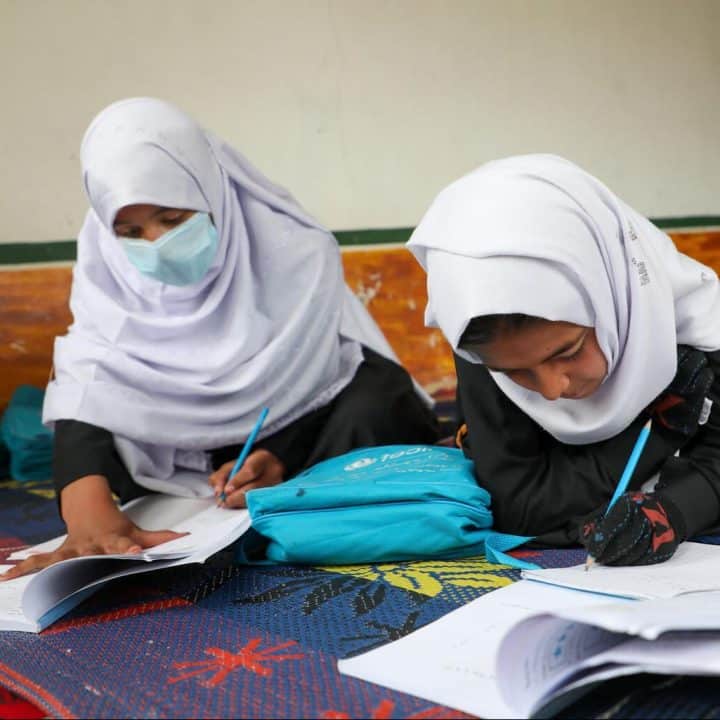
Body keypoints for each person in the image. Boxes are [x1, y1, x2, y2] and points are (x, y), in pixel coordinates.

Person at [2, 98, 438, 580]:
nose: (154, 245)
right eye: (130, 231)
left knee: (377, 401)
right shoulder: (109, 272)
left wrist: (282, 456)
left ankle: (288, 481)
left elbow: (329, 371)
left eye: (172, 219)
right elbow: (88, 385)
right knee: (88, 420)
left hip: (295, 422)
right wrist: (85, 511)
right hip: (167, 443)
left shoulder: (296, 252)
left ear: (212, 191)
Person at [407, 154, 720, 566]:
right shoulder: (484, 344)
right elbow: (518, 504)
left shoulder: (695, 326)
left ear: (611, 294)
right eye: (514, 373)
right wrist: (662, 432)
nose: (553, 391)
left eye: (568, 351)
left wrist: (678, 509)